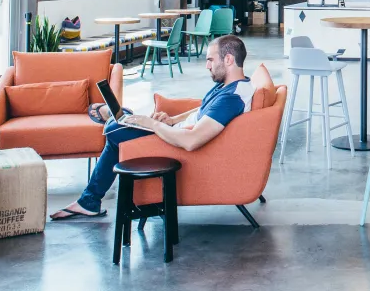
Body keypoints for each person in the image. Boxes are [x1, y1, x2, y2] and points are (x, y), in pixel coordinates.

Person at [50, 34, 255, 220]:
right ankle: (90, 198)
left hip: (176, 141)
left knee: (113, 131)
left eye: (210, 60)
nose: (207, 66)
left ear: (228, 60)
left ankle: (115, 119)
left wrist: (152, 124)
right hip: (175, 130)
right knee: (121, 126)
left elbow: (191, 142)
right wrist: (172, 120)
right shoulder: (230, 86)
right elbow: (202, 110)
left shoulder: (231, 98)